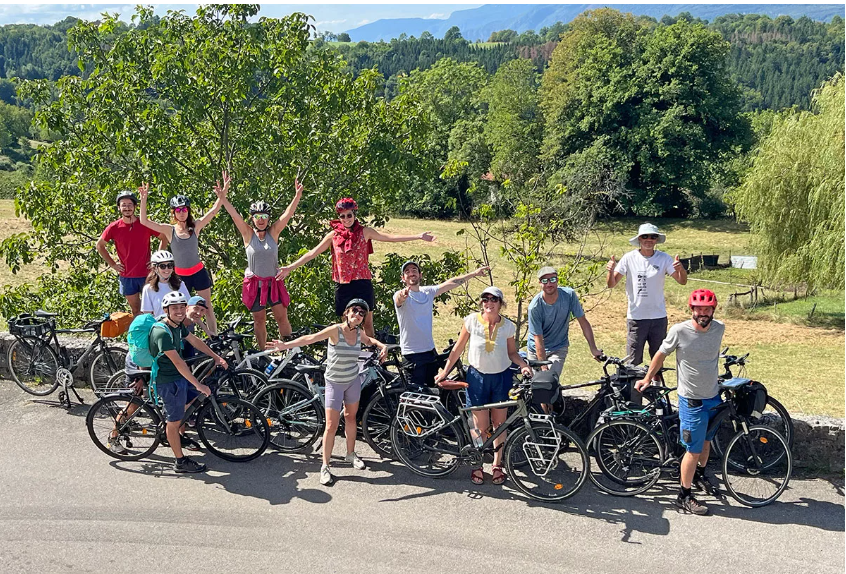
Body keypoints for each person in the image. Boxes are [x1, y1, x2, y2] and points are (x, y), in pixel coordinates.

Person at [267, 299, 388, 486]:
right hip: (334, 383)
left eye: (362, 313)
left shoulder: (358, 333)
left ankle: (350, 454)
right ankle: (325, 466)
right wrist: (284, 346)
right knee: (331, 425)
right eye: (354, 311)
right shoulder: (336, 330)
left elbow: (369, 340)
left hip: (352, 381)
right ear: (347, 312)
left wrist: (382, 346)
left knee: (350, 417)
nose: (357, 315)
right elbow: (311, 339)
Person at [277, 197, 435, 337]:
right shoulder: (333, 236)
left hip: (362, 283)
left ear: (354, 215)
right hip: (342, 285)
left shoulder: (364, 232)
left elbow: (390, 238)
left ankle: (372, 358)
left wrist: (418, 236)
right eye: (343, 216)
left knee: (367, 323)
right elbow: (312, 253)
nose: (346, 219)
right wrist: (290, 267)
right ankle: (351, 356)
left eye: (349, 215)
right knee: (346, 325)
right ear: (339, 217)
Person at [635, 289, 724, 516]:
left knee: (706, 443)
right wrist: (647, 378)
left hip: (712, 396)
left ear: (713, 309)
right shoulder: (679, 331)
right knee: (693, 451)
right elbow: (660, 354)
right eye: (699, 309)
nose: (703, 313)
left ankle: (699, 476)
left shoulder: (719, 329)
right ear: (691, 309)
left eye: (707, 309)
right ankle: (683, 496)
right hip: (691, 400)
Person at [435, 286, 533, 486]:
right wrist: (445, 371)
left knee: (499, 423)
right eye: (485, 299)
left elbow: (512, 353)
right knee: (480, 425)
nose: (489, 303)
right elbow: (458, 348)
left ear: (500, 304)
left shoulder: (507, 327)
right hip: (477, 378)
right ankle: (477, 463)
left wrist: (523, 365)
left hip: (501, 378)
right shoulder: (471, 321)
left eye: (494, 300)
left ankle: (497, 465)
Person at [220, 174, 303, 350]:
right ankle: (262, 352)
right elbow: (235, 216)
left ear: (268, 217)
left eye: (264, 215)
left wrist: (297, 196)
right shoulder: (248, 234)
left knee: (282, 317)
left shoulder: (273, 232)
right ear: (252, 218)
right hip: (255, 284)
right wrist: (223, 198)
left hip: (274, 282)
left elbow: (287, 215)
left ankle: (291, 349)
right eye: (257, 216)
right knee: (259, 320)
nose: (261, 219)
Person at [137, 174, 227, 334]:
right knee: (182, 308)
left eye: (184, 209)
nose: (182, 212)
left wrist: (222, 194)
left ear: (188, 211)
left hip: (198, 272)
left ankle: (213, 336)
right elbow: (144, 222)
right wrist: (143, 199)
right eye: (178, 210)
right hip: (180, 277)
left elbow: (213, 212)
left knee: (206, 305)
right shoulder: (169, 230)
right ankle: (187, 337)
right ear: (174, 213)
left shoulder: (195, 227)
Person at [149, 291, 228, 473]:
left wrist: (216, 357)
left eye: (181, 307)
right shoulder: (162, 332)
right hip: (167, 381)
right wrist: (199, 385)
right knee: (174, 421)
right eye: (174, 308)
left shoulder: (177, 326)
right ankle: (180, 462)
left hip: (177, 378)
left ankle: (176, 436)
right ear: (166, 310)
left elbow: (194, 340)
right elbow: (178, 362)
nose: (179, 311)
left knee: (182, 410)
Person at [394, 261, 490, 389]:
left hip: (429, 351)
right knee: (415, 397)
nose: (411, 273)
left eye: (414, 270)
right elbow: (398, 300)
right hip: (412, 355)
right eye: (407, 272)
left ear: (420, 275)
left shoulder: (427, 292)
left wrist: (474, 274)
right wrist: (403, 296)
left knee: (433, 392)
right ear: (403, 278)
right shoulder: (399, 294)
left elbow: (451, 283)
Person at [606, 223, 687, 368]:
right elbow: (611, 284)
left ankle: (655, 389)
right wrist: (610, 271)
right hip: (636, 317)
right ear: (639, 239)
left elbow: (682, 281)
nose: (648, 240)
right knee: (633, 361)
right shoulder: (629, 258)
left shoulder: (664, 258)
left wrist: (681, 269)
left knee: (657, 360)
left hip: (658, 317)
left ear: (656, 240)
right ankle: (634, 389)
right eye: (645, 236)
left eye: (653, 237)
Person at [96, 190, 169, 316]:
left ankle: (155, 334)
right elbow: (100, 246)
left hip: (147, 274)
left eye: (130, 205)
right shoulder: (114, 227)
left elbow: (164, 238)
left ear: (135, 206)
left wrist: (156, 261)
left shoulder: (144, 224)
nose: (127, 208)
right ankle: (139, 335)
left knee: (152, 309)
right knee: (136, 310)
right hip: (127, 276)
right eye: (123, 205)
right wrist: (113, 264)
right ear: (119, 208)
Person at [527, 266, 603, 380]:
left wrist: (593, 348)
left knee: (550, 382)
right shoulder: (535, 307)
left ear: (557, 280)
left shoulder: (569, 295)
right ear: (540, 283)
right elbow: (538, 338)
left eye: (552, 279)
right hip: (535, 350)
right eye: (545, 281)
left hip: (558, 347)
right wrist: (543, 365)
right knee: (537, 386)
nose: (549, 284)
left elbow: (583, 322)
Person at [140, 250, 191, 317]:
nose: (167, 269)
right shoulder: (148, 289)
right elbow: (147, 315)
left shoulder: (180, 284)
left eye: (170, 265)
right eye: (162, 266)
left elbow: (189, 306)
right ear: (155, 268)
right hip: (160, 325)